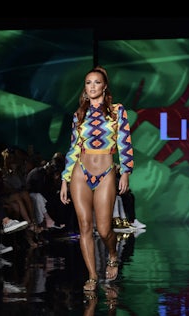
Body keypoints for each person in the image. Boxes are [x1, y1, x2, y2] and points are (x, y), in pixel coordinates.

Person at [60, 66, 134, 292]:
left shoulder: (117, 111)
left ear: (104, 86)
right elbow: (73, 148)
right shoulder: (79, 114)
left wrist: (126, 171)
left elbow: (124, 142)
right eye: (88, 83)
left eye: (96, 82)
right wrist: (65, 178)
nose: (92, 86)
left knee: (103, 230)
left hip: (106, 172)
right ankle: (92, 275)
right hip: (80, 171)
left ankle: (112, 254)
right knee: (84, 227)